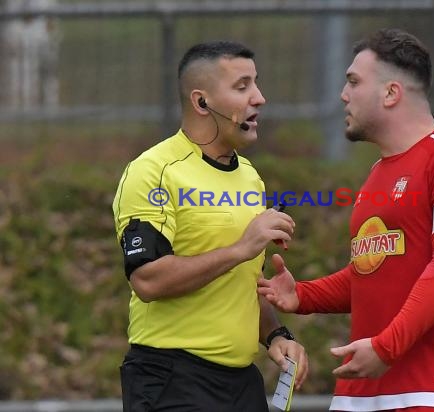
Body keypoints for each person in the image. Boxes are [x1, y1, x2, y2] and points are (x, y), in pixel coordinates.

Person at [258, 28, 434, 412]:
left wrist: (387, 347)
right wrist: (303, 294)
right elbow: (374, 273)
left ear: (391, 94)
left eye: (354, 81)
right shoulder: (376, 174)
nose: (343, 94)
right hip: (361, 397)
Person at [112, 41, 308, 412]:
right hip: (172, 380)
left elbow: (242, 282)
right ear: (202, 102)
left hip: (241, 383)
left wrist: (276, 335)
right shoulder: (153, 171)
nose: (260, 98)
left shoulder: (250, 177)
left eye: (257, 83)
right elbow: (148, 280)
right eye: (242, 86)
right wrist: (240, 248)